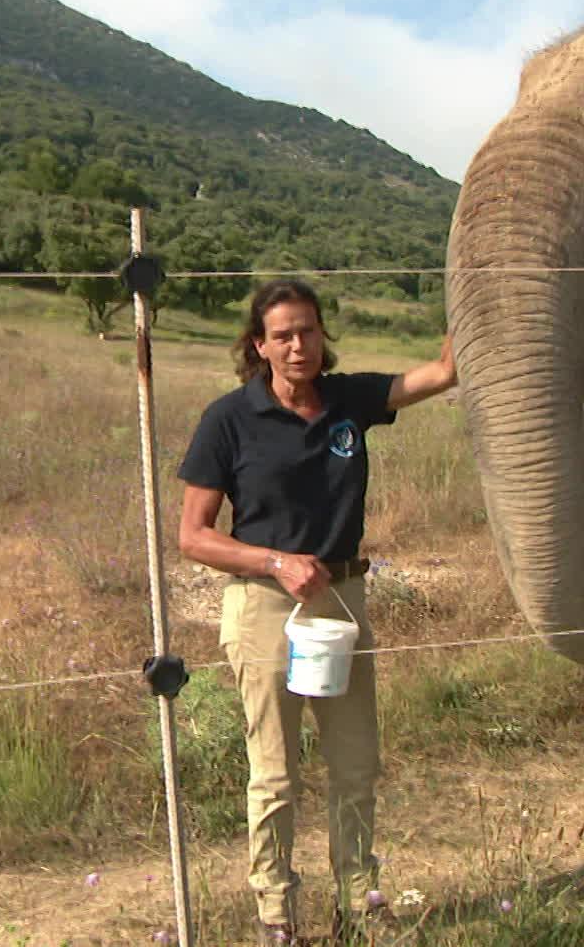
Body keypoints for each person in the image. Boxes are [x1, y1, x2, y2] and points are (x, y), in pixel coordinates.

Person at [176, 278, 456, 944]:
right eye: (282, 335)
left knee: (356, 765)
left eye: (307, 330)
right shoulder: (228, 419)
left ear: (323, 336)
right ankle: (277, 915)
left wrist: (472, 282)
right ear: (258, 345)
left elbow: (442, 372)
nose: (298, 345)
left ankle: (361, 903)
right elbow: (193, 535)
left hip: (342, 600)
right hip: (267, 605)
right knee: (275, 772)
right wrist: (276, 561)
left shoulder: (348, 400)